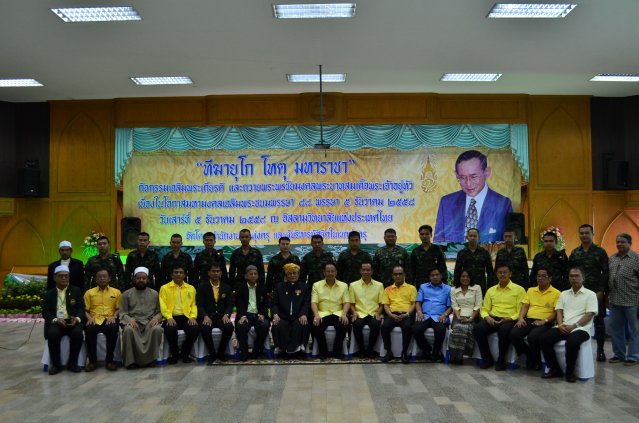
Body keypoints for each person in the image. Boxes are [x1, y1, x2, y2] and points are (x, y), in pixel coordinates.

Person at [434, 149, 513, 243]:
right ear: (456, 175)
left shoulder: (503, 204)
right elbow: (438, 243)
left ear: (487, 172)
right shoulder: (447, 203)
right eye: (462, 177)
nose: (468, 183)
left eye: (474, 177)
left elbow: (508, 243)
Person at [540, 266, 598, 383]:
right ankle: (555, 369)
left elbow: (589, 315)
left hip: (581, 328)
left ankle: (570, 372)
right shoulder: (564, 294)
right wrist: (560, 324)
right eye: (571, 276)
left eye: (577, 276)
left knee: (572, 342)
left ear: (583, 278)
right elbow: (559, 311)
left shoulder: (590, 294)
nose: (574, 278)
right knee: (544, 339)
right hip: (564, 326)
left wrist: (574, 326)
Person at [568, 224, 609, 361]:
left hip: (595, 292)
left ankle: (601, 350)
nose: (584, 235)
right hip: (578, 293)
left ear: (592, 234)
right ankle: (576, 345)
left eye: (587, 233)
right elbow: (571, 272)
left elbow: (606, 272)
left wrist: (602, 290)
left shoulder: (600, 252)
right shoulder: (575, 252)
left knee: (598, 322)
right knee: (577, 318)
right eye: (581, 233)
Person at [473, 264, 525, 371]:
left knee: (504, 331)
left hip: (509, 319)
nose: (502, 274)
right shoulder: (491, 290)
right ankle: (487, 359)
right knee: (478, 329)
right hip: (493, 318)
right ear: (496, 274)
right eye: (500, 272)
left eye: (505, 272)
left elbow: (521, 311)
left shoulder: (519, 290)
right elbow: (484, 309)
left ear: (510, 274)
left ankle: (501, 360)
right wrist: (487, 318)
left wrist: (510, 319)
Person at [509, 267, 560, 370]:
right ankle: (529, 355)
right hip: (529, 320)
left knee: (533, 337)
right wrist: (520, 318)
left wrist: (544, 321)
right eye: (538, 276)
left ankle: (536, 361)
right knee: (513, 334)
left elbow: (556, 313)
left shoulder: (556, 293)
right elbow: (525, 306)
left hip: (545, 322)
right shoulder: (531, 290)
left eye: (543, 276)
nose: (540, 278)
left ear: (550, 278)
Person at [42, 265, 85, 375]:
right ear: (54, 278)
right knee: (52, 333)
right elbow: (46, 312)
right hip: (57, 322)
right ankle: (56, 365)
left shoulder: (76, 290)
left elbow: (81, 307)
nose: (64, 278)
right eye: (60, 276)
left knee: (77, 334)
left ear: (69, 277)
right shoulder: (49, 294)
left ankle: (72, 363)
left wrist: (78, 319)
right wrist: (55, 320)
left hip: (72, 321)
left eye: (66, 276)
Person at [119, 267, 164, 369]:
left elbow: (159, 311)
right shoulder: (126, 294)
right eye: (138, 278)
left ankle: (151, 360)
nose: (141, 280)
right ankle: (131, 362)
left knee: (157, 329)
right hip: (133, 322)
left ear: (147, 280)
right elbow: (122, 312)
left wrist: (156, 319)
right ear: (134, 279)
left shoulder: (154, 293)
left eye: (144, 278)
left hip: (149, 322)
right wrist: (129, 320)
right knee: (128, 331)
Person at [607, 233, 639, 366]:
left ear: (629, 243)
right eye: (617, 242)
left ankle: (633, 356)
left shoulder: (636, 258)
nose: (619, 244)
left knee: (635, 330)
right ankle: (619, 354)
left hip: (632, 301)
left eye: (622, 242)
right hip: (615, 301)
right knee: (616, 329)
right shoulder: (612, 258)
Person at [83, 268, 121, 372]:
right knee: (89, 329)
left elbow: (118, 309)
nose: (102, 278)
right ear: (95, 279)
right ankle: (92, 362)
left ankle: (110, 361)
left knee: (113, 328)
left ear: (109, 279)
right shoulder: (89, 293)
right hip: (95, 318)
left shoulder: (116, 292)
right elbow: (85, 310)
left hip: (110, 318)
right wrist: (89, 319)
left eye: (105, 276)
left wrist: (114, 317)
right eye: (99, 276)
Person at [159, 266, 199, 364]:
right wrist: (168, 317)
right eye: (176, 272)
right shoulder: (164, 288)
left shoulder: (191, 288)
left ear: (185, 275)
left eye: (181, 272)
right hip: (171, 316)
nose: (178, 274)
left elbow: (194, 304)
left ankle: (185, 353)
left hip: (186, 316)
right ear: (172, 275)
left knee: (194, 329)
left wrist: (193, 316)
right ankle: (175, 354)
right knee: (170, 329)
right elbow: (162, 304)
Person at [311, 262, 350, 360]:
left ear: (336, 272)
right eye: (328, 271)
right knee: (316, 325)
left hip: (338, 313)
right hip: (322, 313)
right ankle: (323, 352)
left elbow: (346, 302)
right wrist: (316, 315)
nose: (330, 273)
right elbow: (314, 302)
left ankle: (337, 352)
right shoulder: (316, 285)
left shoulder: (343, 285)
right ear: (324, 272)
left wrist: (344, 314)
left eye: (332, 271)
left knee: (344, 324)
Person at [197, 262, 234, 364]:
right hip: (208, 316)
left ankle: (221, 352)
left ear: (221, 273)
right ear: (209, 273)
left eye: (218, 271)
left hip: (221, 316)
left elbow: (230, 304)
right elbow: (199, 304)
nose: (216, 273)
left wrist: (227, 314)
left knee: (229, 327)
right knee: (205, 329)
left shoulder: (226, 287)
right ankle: (212, 353)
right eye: (213, 271)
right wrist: (205, 316)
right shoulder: (202, 287)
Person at [271, 263, 311, 358]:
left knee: (302, 323)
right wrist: (275, 314)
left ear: (298, 274)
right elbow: (274, 303)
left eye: (295, 273)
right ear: (286, 275)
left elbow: (306, 303)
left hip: (298, 316)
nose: (292, 275)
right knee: (277, 324)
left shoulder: (304, 287)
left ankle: (299, 348)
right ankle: (281, 348)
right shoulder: (279, 287)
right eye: (290, 273)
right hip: (283, 316)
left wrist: (304, 314)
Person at [412, 268, 452, 362]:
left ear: (441, 276)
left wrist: (445, 315)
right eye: (432, 275)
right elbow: (418, 302)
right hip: (425, 315)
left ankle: (435, 353)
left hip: (439, 316)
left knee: (441, 330)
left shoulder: (448, 289)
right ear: (429, 277)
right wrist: (419, 312)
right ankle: (426, 349)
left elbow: (451, 306)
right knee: (415, 328)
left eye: (437, 275)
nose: (435, 277)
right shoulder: (423, 287)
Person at [380, 265, 417, 363]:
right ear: (392, 276)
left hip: (406, 315)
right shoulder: (387, 289)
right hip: (392, 314)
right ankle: (389, 352)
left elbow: (414, 304)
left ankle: (404, 353)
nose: (398, 276)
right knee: (384, 327)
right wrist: (391, 315)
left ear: (404, 275)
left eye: (400, 274)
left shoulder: (411, 288)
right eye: (395, 274)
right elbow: (386, 305)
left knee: (407, 327)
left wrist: (407, 314)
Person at [235, 265, 270, 361]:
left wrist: (262, 314)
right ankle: (244, 352)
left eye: (255, 274)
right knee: (240, 327)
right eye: (251, 274)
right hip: (246, 314)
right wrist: (242, 315)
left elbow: (265, 304)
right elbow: (240, 304)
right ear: (246, 276)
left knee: (264, 325)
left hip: (258, 315)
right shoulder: (241, 289)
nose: (253, 276)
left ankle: (256, 350)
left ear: (258, 276)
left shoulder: (262, 288)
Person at [349, 262, 384, 358]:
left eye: (368, 270)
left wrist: (378, 313)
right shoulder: (353, 285)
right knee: (357, 324)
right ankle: (361, 350)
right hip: (359, 313)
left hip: (373, 312)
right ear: (360, 271)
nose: (366, 272)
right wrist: (354, 312)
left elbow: (381, 303)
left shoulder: (379, 285)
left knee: (376, 324)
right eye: (363, 270)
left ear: (372, 271)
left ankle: (370, 349)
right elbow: (351, 303)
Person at [448, 269, 483, 364]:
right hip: (458, 316)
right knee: (458, 327)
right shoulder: (453, 289)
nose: (465, 278)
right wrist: (459, 318)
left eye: (467, 276)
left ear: (471, 278)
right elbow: (454, 305)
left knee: (464, 328)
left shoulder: (477, 288)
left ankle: (458, 356)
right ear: (459, 278)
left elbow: (478, 305)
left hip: (473, 316)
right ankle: (456, 355)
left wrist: (470, 318)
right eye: (463, 276)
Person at [453, 228, 495, 294]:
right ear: (467, 237)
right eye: (471, 236)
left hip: (481, 286)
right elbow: (457, 271)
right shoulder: (461, 253)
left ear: (479, 237)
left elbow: (490, 272)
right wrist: (456, 286)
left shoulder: (485, 253)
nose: (472, 238)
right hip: (466, 285)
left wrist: (490, 287)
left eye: (475, 236)